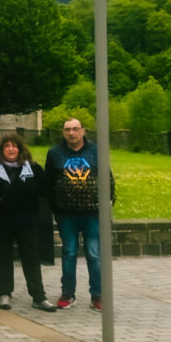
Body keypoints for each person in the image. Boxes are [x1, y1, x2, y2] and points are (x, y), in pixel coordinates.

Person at [45, 118, 115, 311]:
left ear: (83, 131)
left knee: (94, 254)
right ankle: (68, 294)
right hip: (67, 214)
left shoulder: (96, 151)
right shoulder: (54, 153)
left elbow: (107, 178)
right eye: (68, 129)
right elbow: (48, 183)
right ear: (63, 132)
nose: (72, 133)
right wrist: (56, 208)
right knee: (69, 253)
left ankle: (98, 296)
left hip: (93, 213)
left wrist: (109, 202)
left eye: (75, 129)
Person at [0, 134, 57, 312]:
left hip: (28, 221)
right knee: (4, 258)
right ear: (1, 150)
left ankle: (38, 296)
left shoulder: (33, 169)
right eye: (7, 146)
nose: (11, 149)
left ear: (20, 149)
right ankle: (5, 293)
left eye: (15, 146)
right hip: (3, 221)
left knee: (31, 259)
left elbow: (44, 192)